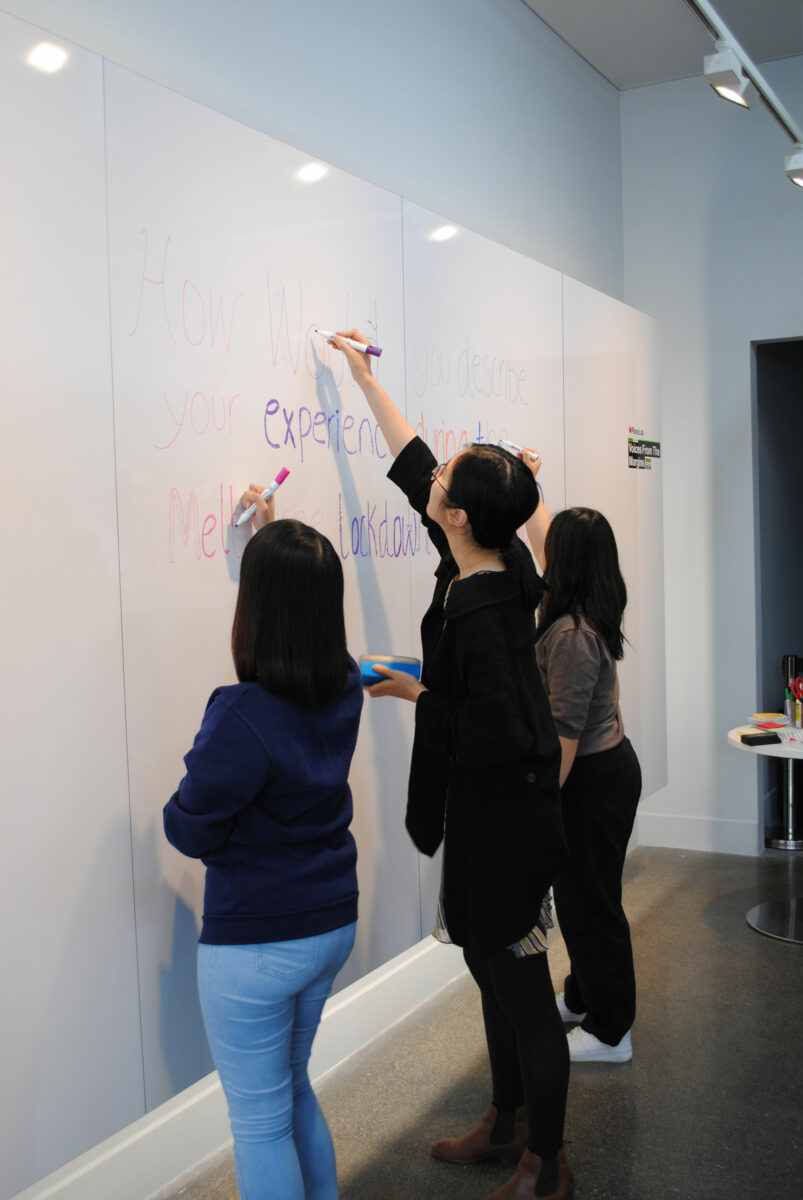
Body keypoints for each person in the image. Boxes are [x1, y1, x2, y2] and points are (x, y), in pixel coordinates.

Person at [331, 330, 574, 1200]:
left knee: (519, 988)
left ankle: (544, 1163)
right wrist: (362, 381)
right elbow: (415, 464)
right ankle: (503, 1124)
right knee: (487, 967)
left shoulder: (482, 604)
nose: (433, 482)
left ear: (463, 516)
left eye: (449, 483)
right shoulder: (493, 564)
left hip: (505, 826)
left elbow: (498, 733)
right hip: (484, 819)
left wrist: (412, 693)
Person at [163, 498, 363, 1200]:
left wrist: (266, 559)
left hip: (258, 942)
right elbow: (298, 613)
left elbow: (188, 827)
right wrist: (271, 541)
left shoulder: (241, 717)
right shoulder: (343, 680)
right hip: (330, 920)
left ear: (254, 607)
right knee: (291, 1092)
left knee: (257, 1124)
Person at [520, 454, 642, 1064]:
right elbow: (547, 535)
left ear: (562, 565)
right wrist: (530, 484)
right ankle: (586, 993)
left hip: (591, 778)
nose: (543, 554)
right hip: (607, 771)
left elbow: (563, 739)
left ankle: (612, 1030)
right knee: (582, 896)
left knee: (591, 903)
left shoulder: (570, 634)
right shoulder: (589, 604)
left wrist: (540, 807)